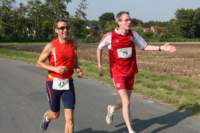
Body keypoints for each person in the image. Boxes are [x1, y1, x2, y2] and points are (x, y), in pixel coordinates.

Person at [97, 11, 176, 133]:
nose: (129, 22)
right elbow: (99, 47)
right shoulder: (110, 36)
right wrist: (100, 64)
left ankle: (112, 108)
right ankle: (130, 130)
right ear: (118, 22)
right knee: (126, 102)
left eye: (130, 20)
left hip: (131, 72)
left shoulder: (133, 35)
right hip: (117, 73)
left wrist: (161, 48)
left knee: (125, 101)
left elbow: (144, 46)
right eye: (126, 20)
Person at [36, 19, 83, 133]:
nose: (65, 30)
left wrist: (78, 70)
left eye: (67, 27)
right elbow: (38, 63)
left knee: (70, 119)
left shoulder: (73, 45)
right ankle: (47, 117)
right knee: (56, 114)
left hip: (68, 83)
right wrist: (55, 69)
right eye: (62, 28)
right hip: (53, 83)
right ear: (56, 30)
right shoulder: (51, 46)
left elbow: (75, 63)